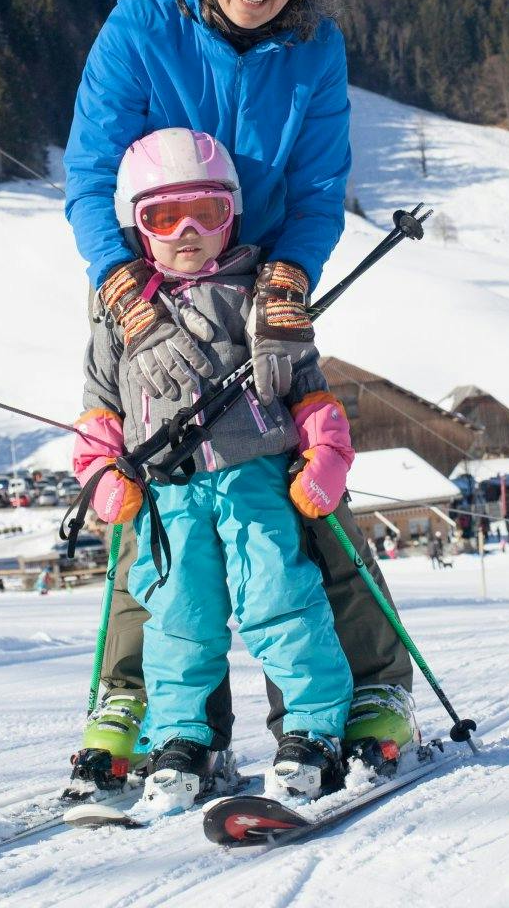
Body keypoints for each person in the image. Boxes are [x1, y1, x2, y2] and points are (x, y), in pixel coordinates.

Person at [60, 0, 415, 801]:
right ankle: (146, 704)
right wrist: (122, 287)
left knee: (303, 490)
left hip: (257, 290)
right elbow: (92, 174)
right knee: (152, 490)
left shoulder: (316, 50)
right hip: (152, 280)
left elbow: (315, 186)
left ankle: (369, 687)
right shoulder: (141, 25)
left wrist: (290, 280)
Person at [75, 129, 355, 807]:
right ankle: (184, 738)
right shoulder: (122, 322)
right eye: (164, 218)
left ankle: (312, 728)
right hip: (169, 496)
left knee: (278, 597)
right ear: (136, 227)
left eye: (207, 212)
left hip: (254, 479)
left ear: (233, 213)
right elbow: (98, 414)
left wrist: (327, 457)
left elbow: (311, 389)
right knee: (178, 616)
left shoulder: (259, 297)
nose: (189, 232)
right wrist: (102, 478)